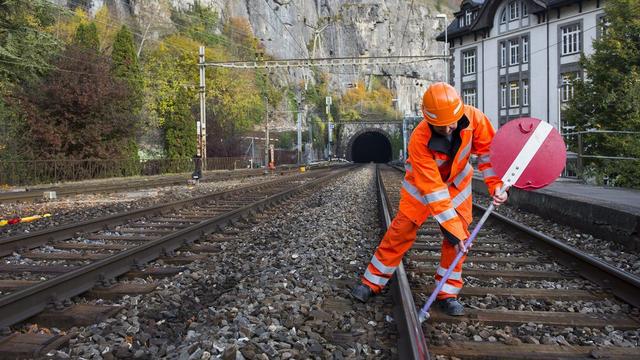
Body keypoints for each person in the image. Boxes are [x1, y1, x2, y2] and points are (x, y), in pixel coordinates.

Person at [351, 82, 508, 316]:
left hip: (457, 183)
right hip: (422, 186)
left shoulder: (475, 119)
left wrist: (496, 185)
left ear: (460, 111)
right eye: (441, 127)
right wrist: (451, 227)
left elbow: (488, 154)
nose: (448, 130)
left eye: (452, 124)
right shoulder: (419, 139)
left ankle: (447, 292)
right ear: (430, 121)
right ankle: (372, 282)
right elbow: (434, 190)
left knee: (457, 238)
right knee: (401, 230)